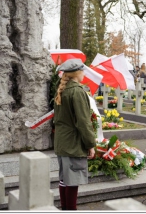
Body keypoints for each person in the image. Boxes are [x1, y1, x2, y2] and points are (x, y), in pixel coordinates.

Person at [54, 59, 96, 210]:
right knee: (72, 180)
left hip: (62, 141)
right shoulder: (77, 91)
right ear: (77, 73)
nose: (84, 73)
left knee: (64, 179)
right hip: (72, 143)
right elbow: (83, 122)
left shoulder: (62, 89)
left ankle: (65, 209)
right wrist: (90, 144)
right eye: (83, 70)